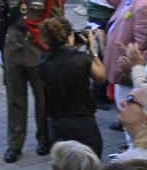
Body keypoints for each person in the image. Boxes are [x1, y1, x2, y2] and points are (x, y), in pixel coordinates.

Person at [0, 0, 65, 162]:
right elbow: (1, 17)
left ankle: (43, 138)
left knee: (43, 99)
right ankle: (15, 143)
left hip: (38, 51)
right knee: (15, 99)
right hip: (13, 50)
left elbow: (57, 22)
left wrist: (56, 51)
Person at [37, 18, 105, 155]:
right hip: (83, 120)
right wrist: (93, 51)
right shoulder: (82, 59)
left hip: (57, 122)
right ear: (69, 36)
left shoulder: (43, 62)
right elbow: (102, 77)